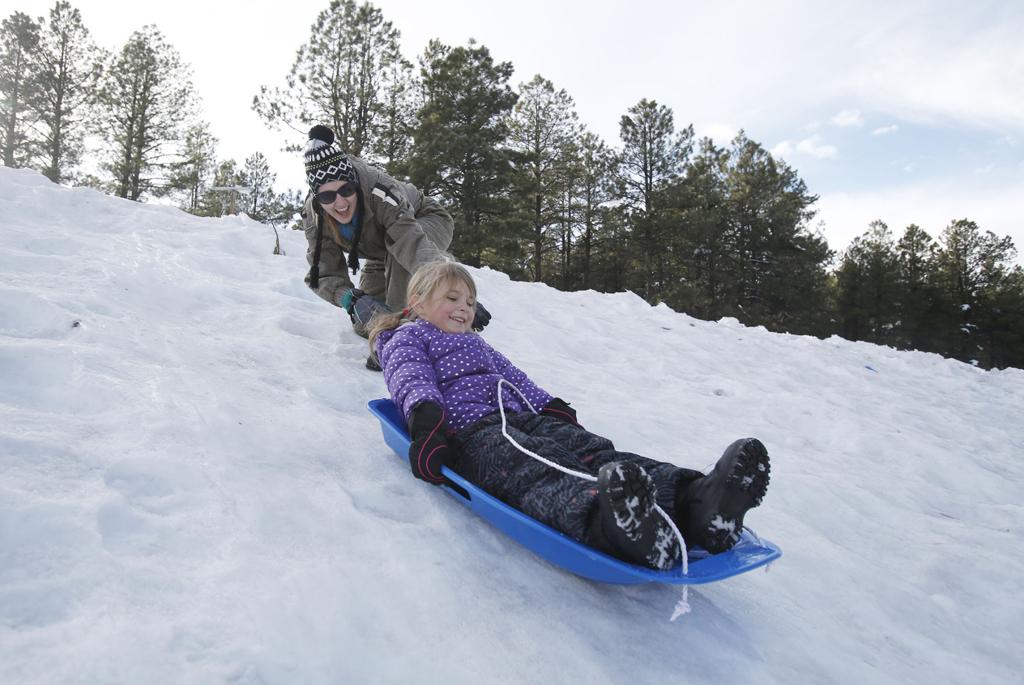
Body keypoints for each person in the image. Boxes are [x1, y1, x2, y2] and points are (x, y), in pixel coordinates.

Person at [369, 259, 771, 569]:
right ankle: (610, 522)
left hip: (524, 418)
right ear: (418, 303)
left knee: (594, 452)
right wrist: (428, 425)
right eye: (452, 299)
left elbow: (515, 378)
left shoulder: (477, 343)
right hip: (474, 433)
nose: (464, 308)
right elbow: (411, 379)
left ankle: (696, 502)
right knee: (535, 469)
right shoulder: (408, 336)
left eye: (471, 302)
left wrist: (550, 406)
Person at [301, 125, 491, 369]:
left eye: (346, 190)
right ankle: (413, 327)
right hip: (380, 252)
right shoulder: (314, 218)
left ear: (355, 184)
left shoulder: (381, 191)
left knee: (400, 278)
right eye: (327, 197)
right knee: (368, 321)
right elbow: (323, 273)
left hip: (424, 221)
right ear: (317, 199)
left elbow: (411, 244)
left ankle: (403, 344)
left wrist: (455, 293)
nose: (339, 203)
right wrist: (350, 299)